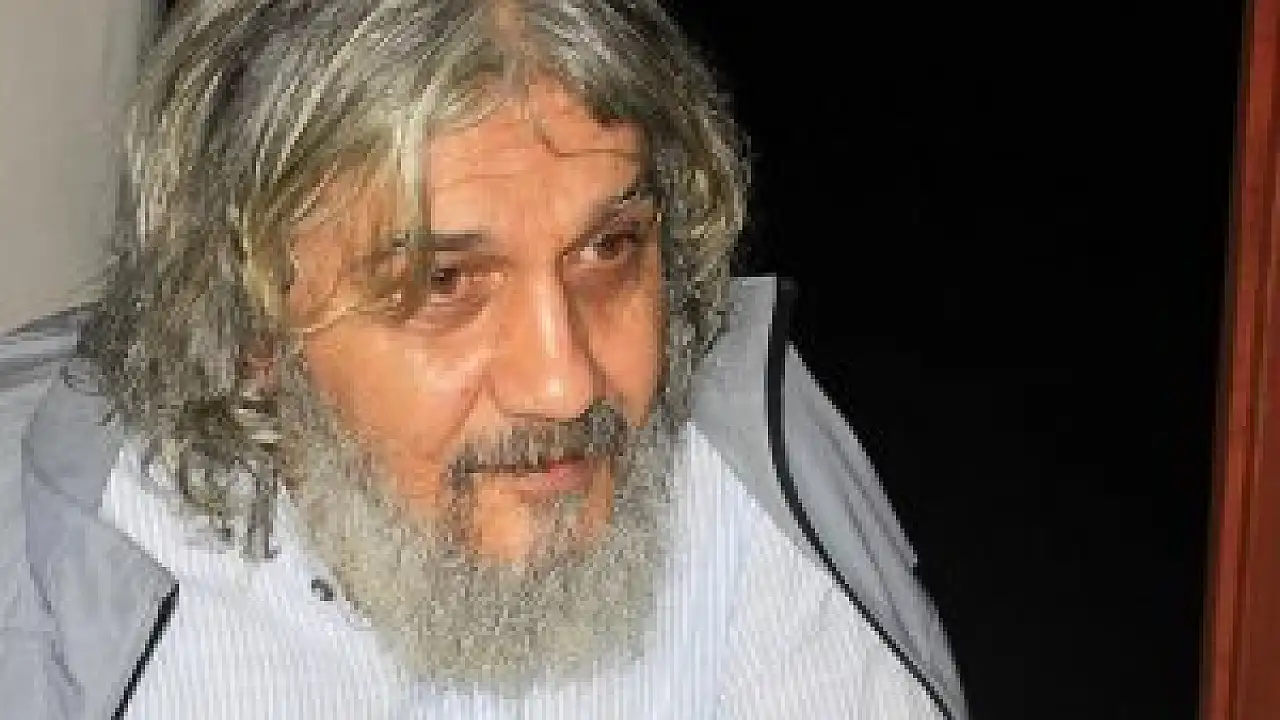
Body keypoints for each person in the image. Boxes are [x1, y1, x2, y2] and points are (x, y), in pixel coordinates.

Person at [0, 1, 968, 717]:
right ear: (246, 319)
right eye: (444, 282)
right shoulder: (44, 562)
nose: (566, 382)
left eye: (607, 250)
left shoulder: (747, 480)